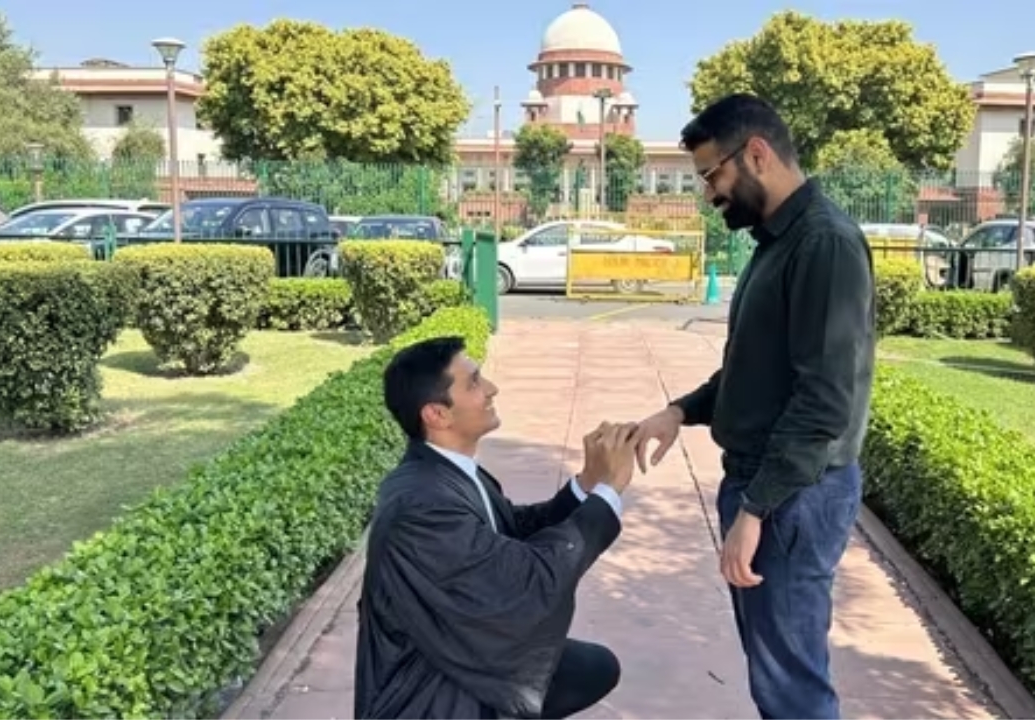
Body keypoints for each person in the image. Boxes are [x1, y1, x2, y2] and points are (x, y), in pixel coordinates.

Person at [631, 93, 876, 719]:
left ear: (757, 154)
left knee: (790, 686)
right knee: (777, 672)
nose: (709, 194)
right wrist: (679, 411)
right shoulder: (778, 241)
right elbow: (757, 372)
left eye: (713, 174)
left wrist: (756, 511)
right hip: (769, 487)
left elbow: (823, 400)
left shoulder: (823, 244)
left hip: (793, 494)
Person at [353, 335, 640, 720]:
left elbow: (510, 530)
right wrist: (610, 490)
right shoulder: (420, 507)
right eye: (474, 382)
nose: (491, 388)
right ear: (437, 414)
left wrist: (587, 483)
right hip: (423, 692)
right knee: (576, 672)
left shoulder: (445, 472)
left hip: (456, 645)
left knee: (593, 668)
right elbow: (529, 577)